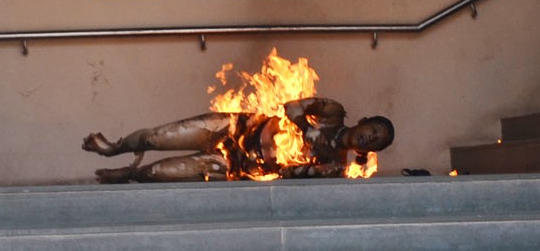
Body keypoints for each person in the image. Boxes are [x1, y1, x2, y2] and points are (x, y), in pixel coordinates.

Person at [82, 97, 394, 183]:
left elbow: (289, 176)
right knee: (156, 137)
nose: (370, 137)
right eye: (374, 129)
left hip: (240, 164)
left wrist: (304, 171)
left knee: (158, 173)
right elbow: (293, 105)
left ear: (372, 150)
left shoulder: (337, 166)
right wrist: (304, 125)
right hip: (237, 128)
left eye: (376, 141)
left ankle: (129, 174)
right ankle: (114, 149)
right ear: (364, 121)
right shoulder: (332, 112)